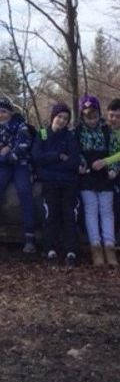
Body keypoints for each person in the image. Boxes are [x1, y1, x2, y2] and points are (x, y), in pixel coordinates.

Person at [0, 97, 36, 254]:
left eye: (3, 112)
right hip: (4, 166)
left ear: (11, 112)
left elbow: (22, 147)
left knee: (24, 191)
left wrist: (4, 156)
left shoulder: (21, 126)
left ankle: (29, 235)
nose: (0, 115)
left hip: (21, 164)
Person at [31, 103, 81, 268]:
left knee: (69, 215)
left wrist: (50, 164)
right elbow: (37, 158)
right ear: (53, 116)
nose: (62, 120)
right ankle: (50, 250)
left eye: (66, 118)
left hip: (68, 183)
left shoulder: (70, 137)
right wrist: (58, 156)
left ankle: (71, 252)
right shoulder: (43, 134)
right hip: (49, 182)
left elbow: (73, 162)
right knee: (50, 214)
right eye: (59, 117)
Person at [75, 95, 118, 267]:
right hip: (87, 176)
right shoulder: (77, 132)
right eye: (88, 116)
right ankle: (95, 246)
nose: (92, 120)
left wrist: (114, 168)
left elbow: (114, 151)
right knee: (91, 210)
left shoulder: (107, 130)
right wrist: (81, 164)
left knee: (107, 211)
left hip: (105, 176)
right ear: (82, 116)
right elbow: (76, 152)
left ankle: (109, 245)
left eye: (94, 116)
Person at [93, 98, 120, 244]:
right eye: (111, 115)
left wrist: (107, 162)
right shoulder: (103, 129)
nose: (114, 119)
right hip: (105, 174)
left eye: (118, 116)